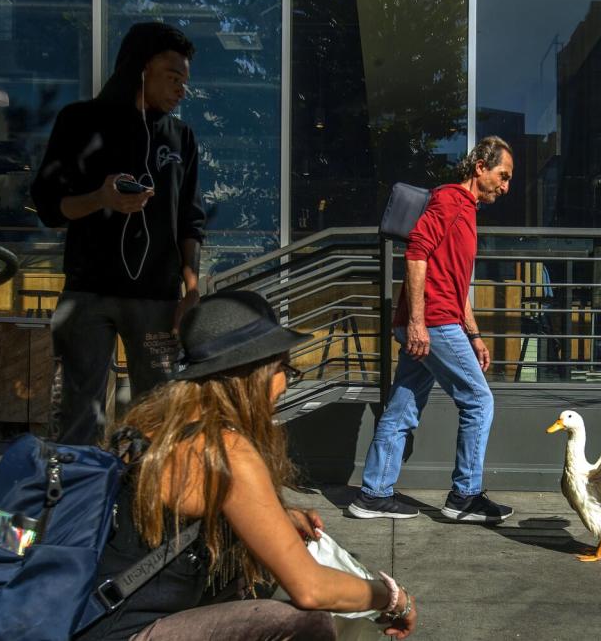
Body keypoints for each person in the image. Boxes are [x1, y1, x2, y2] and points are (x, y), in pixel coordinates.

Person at [76, 290, 418, 641]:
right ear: (255, 373)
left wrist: (277, 518)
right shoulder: (225, 451)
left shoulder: (154, 427)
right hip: (128, 634)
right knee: (306, 623)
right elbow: (310, 588)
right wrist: (391, 597)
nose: (286, 384)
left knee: (259, 577)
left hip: (93, 620)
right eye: (284, 368)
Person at [30, 22, 205, 445]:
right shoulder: (79, 121)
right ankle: (81, 501)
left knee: (160, 409)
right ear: (142, 68)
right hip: (88, 292)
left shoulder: (181, 137)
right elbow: (50, 208)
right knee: (80, 410)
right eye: (173, 76)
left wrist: (193, 287)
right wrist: (100, 199)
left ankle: (147, 504)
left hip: (157, 298)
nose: (182, 89)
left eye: (185, 80)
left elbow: (190, 219)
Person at [348, 136, 515, 522]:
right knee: (479, 401)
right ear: (480, 168)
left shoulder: (467, 210)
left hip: (438, 320)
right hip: (434, 323)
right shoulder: (450, 201)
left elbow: (456, 285)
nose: (505, 187)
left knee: (403, 406)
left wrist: (474, 335)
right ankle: (465, 496)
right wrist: (419, 322)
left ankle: (372, 494)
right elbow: (416, 252)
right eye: (502, 176)